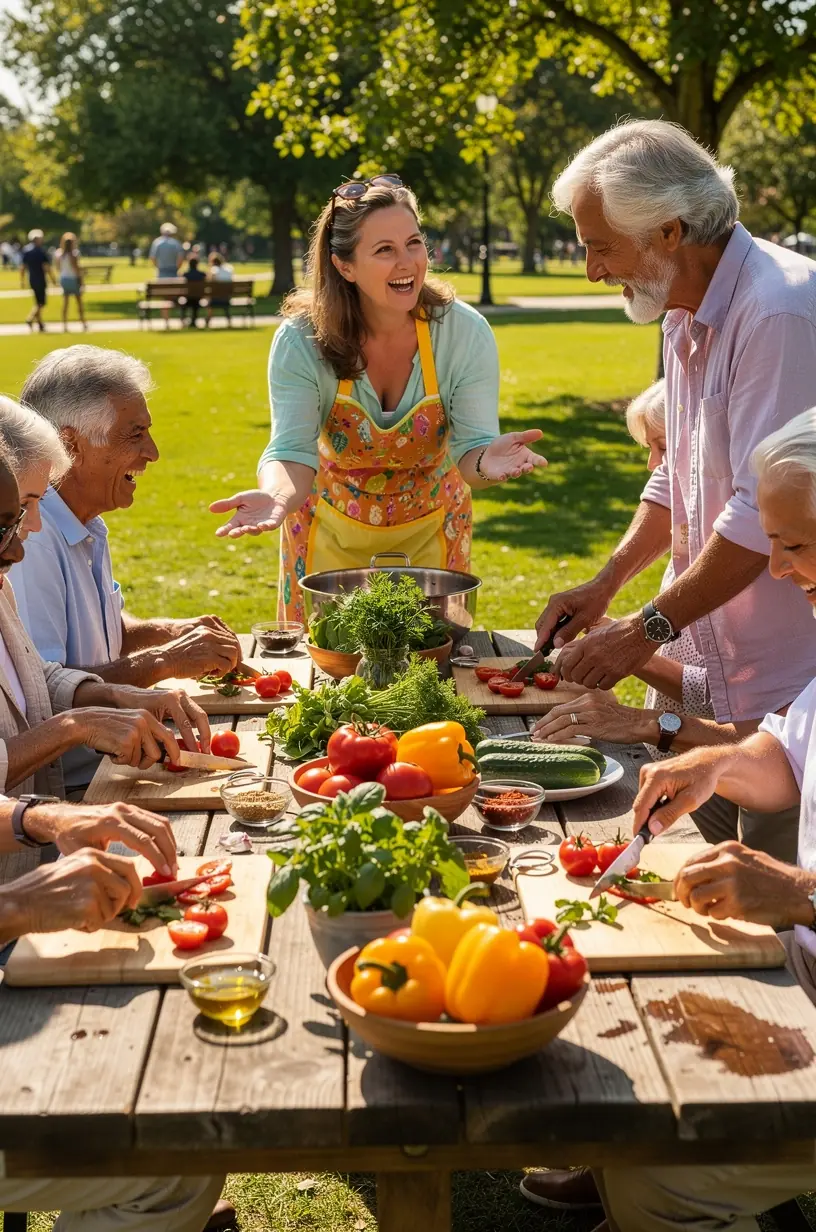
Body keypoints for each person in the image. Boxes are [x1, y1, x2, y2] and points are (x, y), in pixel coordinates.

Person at [533, 117, 816, 860]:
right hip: (709, 675)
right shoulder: (680, 306)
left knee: (772, 922)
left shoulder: (779, 307)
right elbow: (677, 468)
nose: (592, 268)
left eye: (599, 245)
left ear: (667, 231)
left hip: (784, 697)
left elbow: (761, 512)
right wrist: (608, 583)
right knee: (689, 859)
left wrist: (645, 628)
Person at [209, 173, 549, 621]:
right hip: (327, 533)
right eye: (384, 250)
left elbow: (471, 453)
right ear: (344, 265)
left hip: (433, 532)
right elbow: (291, 452)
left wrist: (488, 461)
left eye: (413, 243)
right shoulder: (301, 340)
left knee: (427, 671)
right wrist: (276, 497)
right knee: (328, 673)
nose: (407, 262)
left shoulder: (463, 333)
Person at [7, 348, 241, 790]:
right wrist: (165, 660)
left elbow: (100, 633)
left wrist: (169, 633)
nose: (152, 452)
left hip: (112, 768)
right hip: (77, 788)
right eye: (134, 435)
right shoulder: (30, 542)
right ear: (71, 443)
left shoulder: (84, 519)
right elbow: (41, 697)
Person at [20, 229, 56, 333]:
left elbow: (23, 267)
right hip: (40, 278)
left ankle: (40, 323)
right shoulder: (40, 251)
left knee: (38, 301)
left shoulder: (26, 251)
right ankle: (30, 318)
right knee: (41, 302)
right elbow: (47, 267)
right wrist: (53, 279)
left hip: (32, 278)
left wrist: (22, 280)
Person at [54, 231, 87, 332]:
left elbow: (58, 268)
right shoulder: (74, 254)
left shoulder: (59, 254)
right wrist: (81, 280)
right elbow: (76, 269)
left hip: (64, 278)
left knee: (65, 302)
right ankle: (83, 322)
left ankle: (64, 324)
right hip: (73, 278)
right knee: (79, 302)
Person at [206, 253, 233, 327]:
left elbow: (210, 284)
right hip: (226, 298)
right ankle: (229, 320)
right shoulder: (229, 270)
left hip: (216, 298)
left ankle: (208, 319)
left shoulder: (214, 271)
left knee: (210, 299)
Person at [183, 256, 207, 328]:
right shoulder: (202, 274)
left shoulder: (186, 274)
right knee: (195, 302)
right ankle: (193, 321)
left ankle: (185, 321)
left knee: (189, 301)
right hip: (198, 297)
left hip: (188, 297)